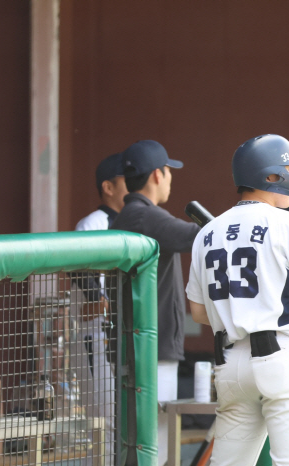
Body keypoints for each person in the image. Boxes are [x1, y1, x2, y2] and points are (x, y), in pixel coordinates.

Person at [185, 134, 289, 465]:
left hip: (230, 367)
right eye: (288, 168)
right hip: (286, 359)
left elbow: (199, 312)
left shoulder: (207, 233)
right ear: (270, 176)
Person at [110, 140, 200, 466]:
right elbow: (199, 235)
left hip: (138, 350)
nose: (171, 178)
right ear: (158, 175)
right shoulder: (145, 216)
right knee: (155, 446)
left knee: (140, 443)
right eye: (168, 171)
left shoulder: (128, 215)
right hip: (152, 351)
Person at [71, 152, 127, 466]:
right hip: (96, 339)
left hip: (121, 339)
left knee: (123, 420)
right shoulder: (92, 224)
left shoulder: (133, 222)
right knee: (104, 421)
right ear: (108, 186)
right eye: (124, 181)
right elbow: (86, 287)